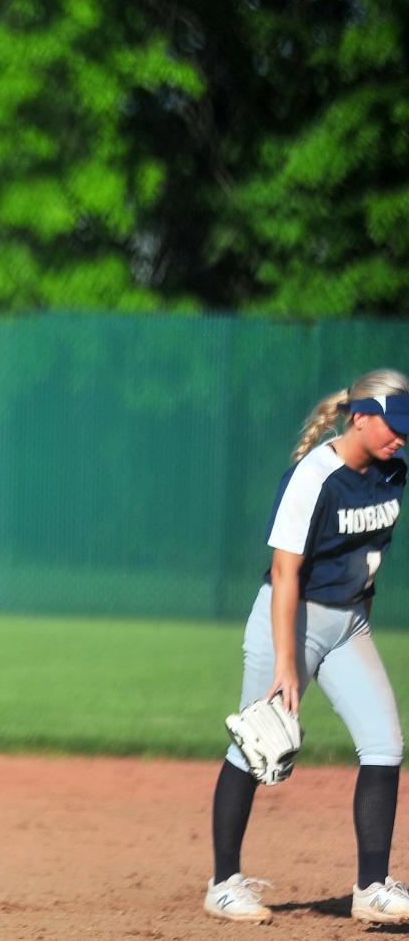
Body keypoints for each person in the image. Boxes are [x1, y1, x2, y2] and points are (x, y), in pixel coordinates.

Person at [204, 368, 409, 926]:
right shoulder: (314, 476)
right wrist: (288, 662)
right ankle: (224, 884)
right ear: (359, 417)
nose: (400, 437)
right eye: (392, 426)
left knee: (385, 743)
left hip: (349, 626)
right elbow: (284, 570)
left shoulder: (393, 471)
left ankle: (372, 886)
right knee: (256, 744)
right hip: (289, 621)